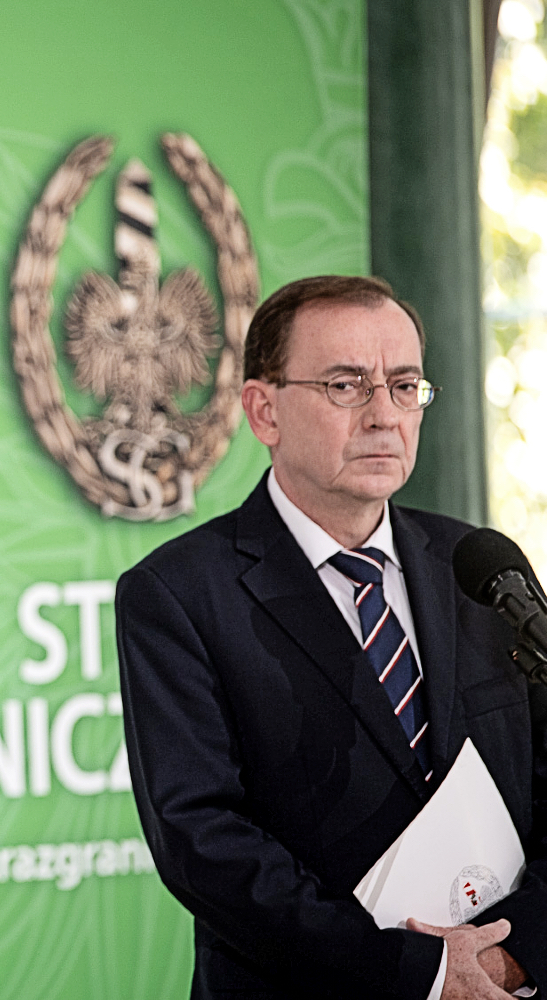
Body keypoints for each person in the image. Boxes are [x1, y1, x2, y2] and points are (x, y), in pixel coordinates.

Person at [117, 275, 547, 999]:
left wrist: (513, 954)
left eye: (404, 386)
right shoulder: (178, 595)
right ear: (264, 411)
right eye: (347, 386)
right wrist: (423, 974)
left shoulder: (478, 567)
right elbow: (203, 840)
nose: (384, 416)